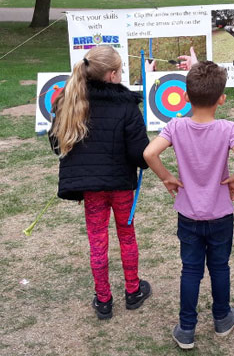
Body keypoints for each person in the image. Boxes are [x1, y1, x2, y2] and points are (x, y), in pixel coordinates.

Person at [143, 54, 234, 349]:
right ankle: (222, 318)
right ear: (222, 99)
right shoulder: (228, 128)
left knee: (190, 270)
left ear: (184, 96)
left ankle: (186, 329)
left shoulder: (176, 126)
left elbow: (149, 154)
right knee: (220, 267)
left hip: (188, 214)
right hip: (220, 216)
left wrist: (167, 177)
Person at [49, 46, 152, 320]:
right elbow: (139, 152)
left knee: (98, 240)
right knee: (126, 236)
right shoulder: (121, 104)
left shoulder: (69, 100)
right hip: (119, 185)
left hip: (94, 189)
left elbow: (55, 144)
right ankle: (132, 290)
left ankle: (104, 298)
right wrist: (143, 158)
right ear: (113, 74)